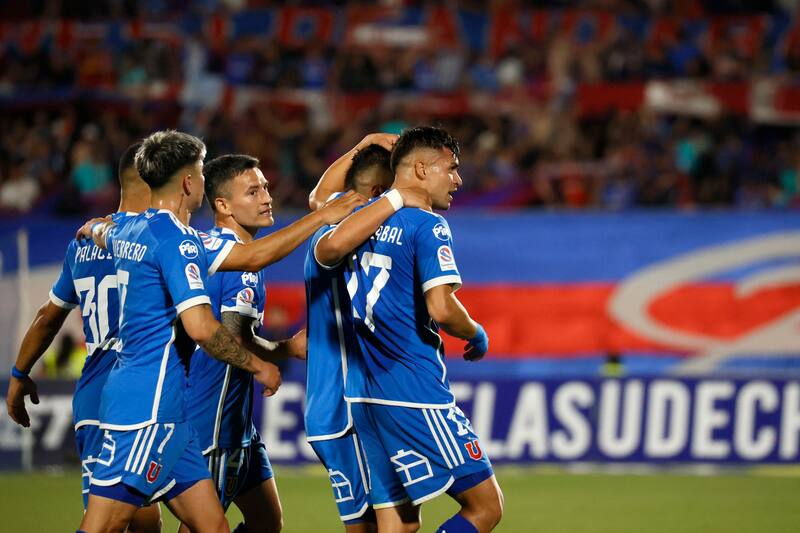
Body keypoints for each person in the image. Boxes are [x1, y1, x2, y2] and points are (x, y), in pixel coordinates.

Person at [77, 130, 282, 533]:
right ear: (189, 181)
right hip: (146, 410)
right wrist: (259, 366)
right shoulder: (179, 239)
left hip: (174, 418)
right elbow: (203, 327)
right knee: (104, 527)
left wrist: (91, 229)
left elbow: (102, 232)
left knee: (216, 528)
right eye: (202, 172)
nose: (203, 181)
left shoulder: (127, 229)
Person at [344, 127, 503, 533]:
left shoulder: (359, 220)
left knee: (398, 522)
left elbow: (316, 202)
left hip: (364, 395)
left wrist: (360, 146)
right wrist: (474, 332)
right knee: (485, 506)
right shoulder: (426, 225)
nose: (458, 180)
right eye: (451, 168)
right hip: (414, 391)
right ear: (420, 168)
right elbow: (441, 307)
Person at [5, 142, 162, 532]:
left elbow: (47, 317)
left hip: (93, 393)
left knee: (123, 514)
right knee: (129, 517)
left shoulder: (84, 242)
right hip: (141, 386)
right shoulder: (159, 238)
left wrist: (19, 373)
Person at [304, 134, 430, 532]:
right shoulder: (350, 238)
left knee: (388, 523)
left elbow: (319, 196)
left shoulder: (327, 226)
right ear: (379, 193)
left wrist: (367, 143)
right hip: (352, 405)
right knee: (397, 524)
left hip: (327, 406)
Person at [181, 154, 306, 533]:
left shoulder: (209, 246)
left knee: (267, 522)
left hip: (236, 424)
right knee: (206, 526)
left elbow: (239, 335)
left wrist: (287, 348)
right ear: (222, 205)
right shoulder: (242, 265)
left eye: (265, 187)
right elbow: (233, 340)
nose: (266, 197)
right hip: (213, 419)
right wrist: (269, 363)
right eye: (252, 191)